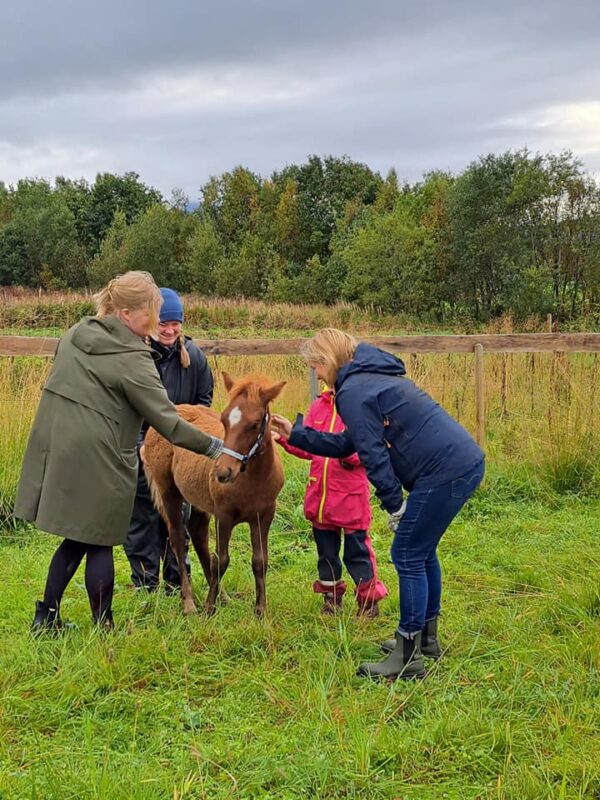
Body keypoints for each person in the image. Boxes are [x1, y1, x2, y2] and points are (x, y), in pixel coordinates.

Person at [14, 271, 223, 633]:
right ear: (127, 313)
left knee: (78, 537)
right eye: (152, 314)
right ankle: (102, 625)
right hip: (103, 453)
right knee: (101, 540)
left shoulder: (76, 334)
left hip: (60, 445)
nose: (158, 323)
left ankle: (45, 616)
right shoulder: (133, 357)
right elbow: (168, 423)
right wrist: (217, 446)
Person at [273, 328, 485, 681]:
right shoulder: (368, 378)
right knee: (422, 549)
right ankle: (426, 640)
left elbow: (371, 455)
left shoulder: (353, 391)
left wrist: (393, 505)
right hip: (460, 463)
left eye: (317, 367)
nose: (318, 375)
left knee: (407, 553)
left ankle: (408, 653)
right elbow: (347, 443)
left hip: (445, 471)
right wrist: (296, 434)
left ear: (328, 360)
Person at [123, 288, 213, 592]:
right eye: (163, 323)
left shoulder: (195, 358)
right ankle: (145, 585)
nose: (170, 330)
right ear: (151, 321)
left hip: (180, 452)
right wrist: (140, 445)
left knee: (179, 516)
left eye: (175, 323)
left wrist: (191, 444)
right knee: (144, 518)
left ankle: (177, 579)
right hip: (144, 451)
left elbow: (204, 403)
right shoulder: (137, 357)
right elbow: (128, 408)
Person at [273, 384, 387, 618]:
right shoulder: (318, 407)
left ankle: (368, 603)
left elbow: (372, 449)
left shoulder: (362, 407)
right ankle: (331, 599)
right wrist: (285, 438)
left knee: (357, 553)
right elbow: (309, 447)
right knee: (326, 554)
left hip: (350, 499)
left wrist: (348, 454)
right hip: (321, 499)